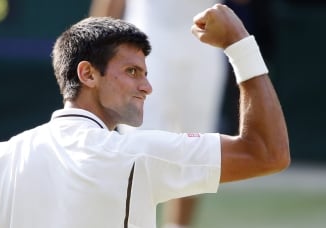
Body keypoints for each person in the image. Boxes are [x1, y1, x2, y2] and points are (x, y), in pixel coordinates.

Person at [0, 4, 289, 228]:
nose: (146, 86)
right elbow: (266, 153)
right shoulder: (137, 156)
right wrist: (240, 44)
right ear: (87, 74)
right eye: (132, 71)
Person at [89, 1, 249, 227]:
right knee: (139, 148)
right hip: (146, 37)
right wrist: (94, 45)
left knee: (197, 150)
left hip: (204, 43)